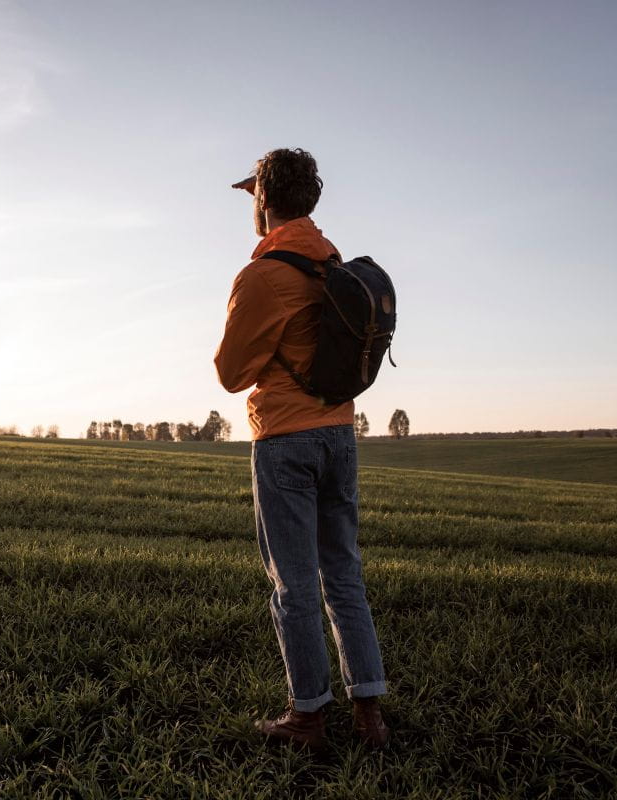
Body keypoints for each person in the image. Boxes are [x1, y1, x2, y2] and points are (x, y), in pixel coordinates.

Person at [214, 148, 389, 751]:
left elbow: (232, 374)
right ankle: (370, 716)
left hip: (286, 439)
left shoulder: (262, 276)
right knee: (344, 574)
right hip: (340, 433)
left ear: (263, 199)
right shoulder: (331, 263)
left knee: (293, 585)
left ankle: (308, 717)